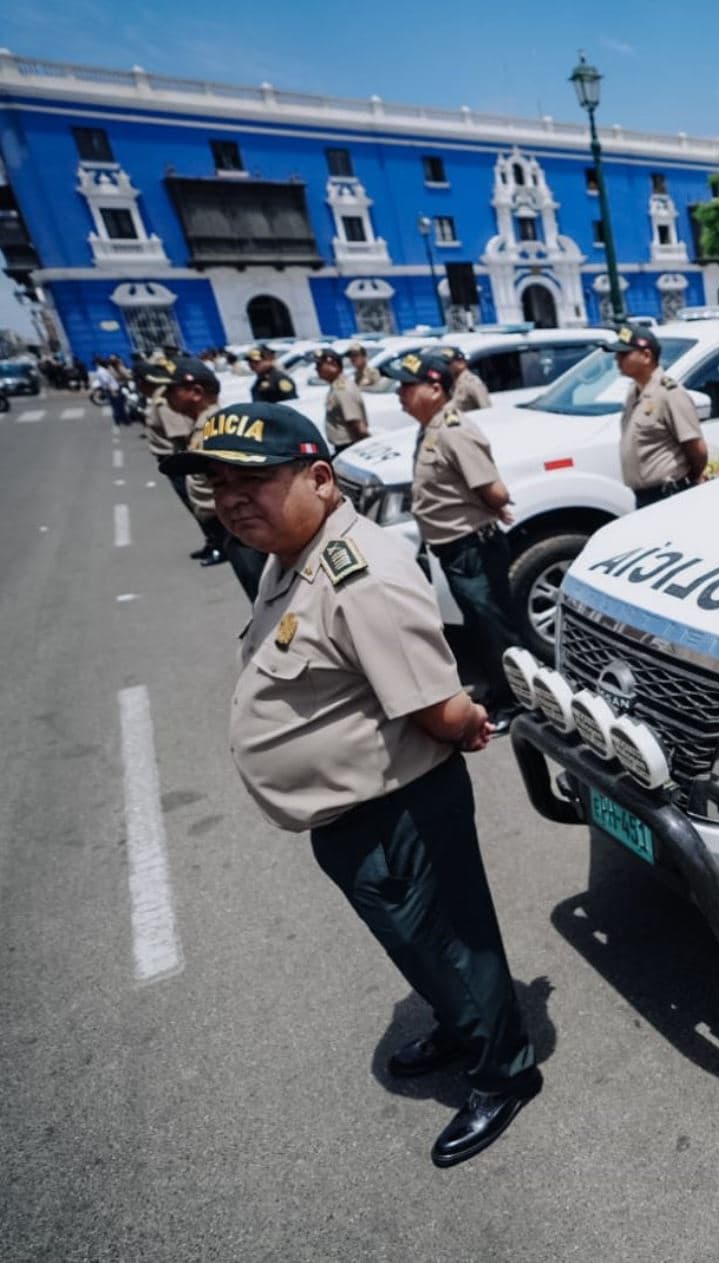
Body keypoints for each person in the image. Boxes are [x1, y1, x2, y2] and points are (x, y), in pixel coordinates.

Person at [163, 400, 542, 1167]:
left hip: (397, 808)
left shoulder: (359, 573)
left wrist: (469, 722)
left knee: (449, 941)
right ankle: (462, 1022)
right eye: (217, 484)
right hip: (356, 811)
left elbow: (439, 706)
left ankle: (504, 1069)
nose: (230, 500)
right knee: (419, 944)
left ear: (320, 479)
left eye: (251, 481)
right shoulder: (290, 552)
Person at [384, 349, 524, 734]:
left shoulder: (454, 430)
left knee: (495, 627)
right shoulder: (431, 428)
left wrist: (493, 508)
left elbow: (494, 490)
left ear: (434, 388)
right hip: (455, 548)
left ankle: (517, 703)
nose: (399, 393)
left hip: (473, 547)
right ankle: (499, 690)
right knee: (479, 625)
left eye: (407, 386)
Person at [159, 356, 269, 595]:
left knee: (263, 597)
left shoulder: (217, 431)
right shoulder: (204, 427)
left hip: (238, 528)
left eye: (172, 390)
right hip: (226, 526)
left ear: (196, 392)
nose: (165, 396)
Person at [611, 323, 708, 508]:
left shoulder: (669, 394)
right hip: (644, 496)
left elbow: (697, 449)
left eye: (624, 354)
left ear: (646, 356)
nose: (617, 358)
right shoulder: (634, 392)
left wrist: (690, 480)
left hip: (668, 494)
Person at [138, 357, 216, 560]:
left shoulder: (210, 427)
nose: (167, 395)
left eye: (172, 389)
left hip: (222, 519)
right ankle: (214, 542)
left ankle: (215, 544)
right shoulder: (200, 424)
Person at [316, 348, 369, 451]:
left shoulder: (342, 389)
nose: (316, 369)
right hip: (345, 446)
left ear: (334, 365)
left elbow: (358, 425)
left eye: (319, 365)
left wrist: (365, 448)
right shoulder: (336, 386)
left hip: (349, 446)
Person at [446, 347, 492, 412]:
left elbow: (486, 409)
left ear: (461, 362)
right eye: (446, 363)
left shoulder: (472, 382)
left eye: (449, 363)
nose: (447, 366)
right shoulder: (453, 385)